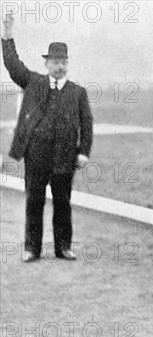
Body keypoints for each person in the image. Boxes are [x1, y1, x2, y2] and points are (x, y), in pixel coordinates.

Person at [2, 13, 93, 262]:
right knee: (34, 201)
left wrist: (83, 151)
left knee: (63, 203)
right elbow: (13, 65)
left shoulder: (78, 93)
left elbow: (87, 124)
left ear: (67, 64)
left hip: (65, 156)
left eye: (63, 61)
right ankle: (32, 248)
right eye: (54, 61)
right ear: (46, 64)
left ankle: (63, 247)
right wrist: (7, 35)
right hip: (36, 154)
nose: (59, 66)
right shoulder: (33, 83)